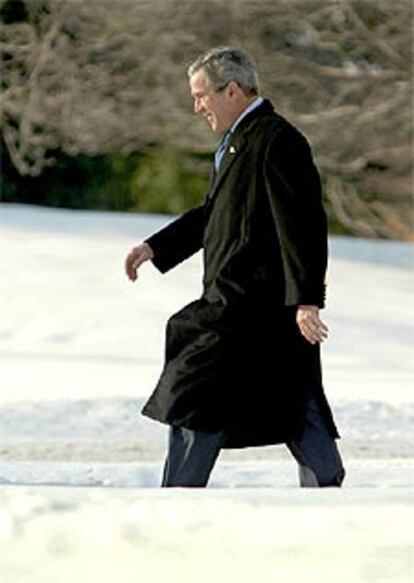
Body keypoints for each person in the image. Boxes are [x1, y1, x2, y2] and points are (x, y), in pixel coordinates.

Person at [125, 46, 345, 488]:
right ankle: (326, 480)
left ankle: (180, 495)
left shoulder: (277, 140)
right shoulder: (236, 142)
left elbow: (302, 225)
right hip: (237, 308)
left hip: (256, 309)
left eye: (201, 95)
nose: (197, 106)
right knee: (287, 398)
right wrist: (156, 246)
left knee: (197, 388)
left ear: (231, 90)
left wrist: (306, 300)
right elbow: (213, 212)